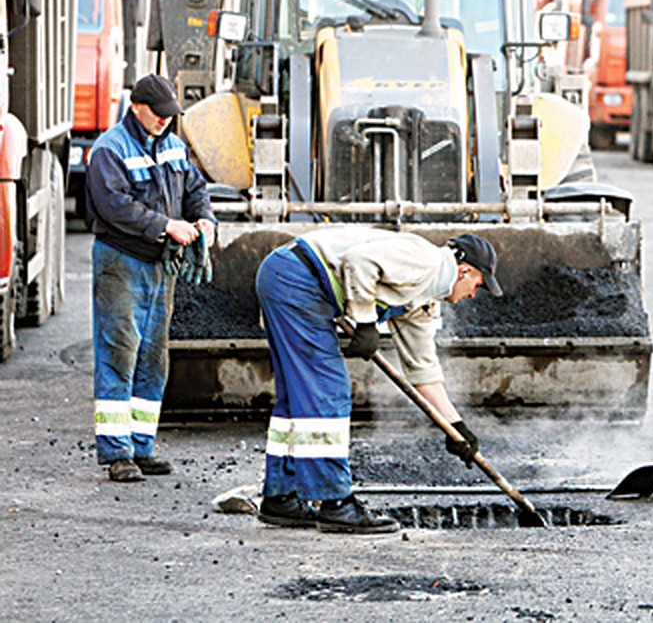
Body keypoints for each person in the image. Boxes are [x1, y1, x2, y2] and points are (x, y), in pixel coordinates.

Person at [253, 228, 503, 534]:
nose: (473, 294)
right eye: (478, 285)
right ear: (465, 270)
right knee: (327, 392)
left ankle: (280, 498)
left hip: (292, 280)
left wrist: (456, 428)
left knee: (299, 396)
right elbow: (360, 261)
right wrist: (367, 321)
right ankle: (336, 504)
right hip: (297, 277)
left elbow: (422, 371)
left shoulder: (424, 303)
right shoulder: (425, 259)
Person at [86, 73, 216, 483]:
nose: (165, 121)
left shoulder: (174, 147)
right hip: (121, 263)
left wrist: (205, 222)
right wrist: (166, 225)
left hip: (162, 266)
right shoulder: (110, 150)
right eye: (158, 114)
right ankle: (116, 453)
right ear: (137, 107)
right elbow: (114, 207)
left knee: (153, 359)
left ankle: (142, 447)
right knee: (119, 354)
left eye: (170, 115)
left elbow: (196, 190)